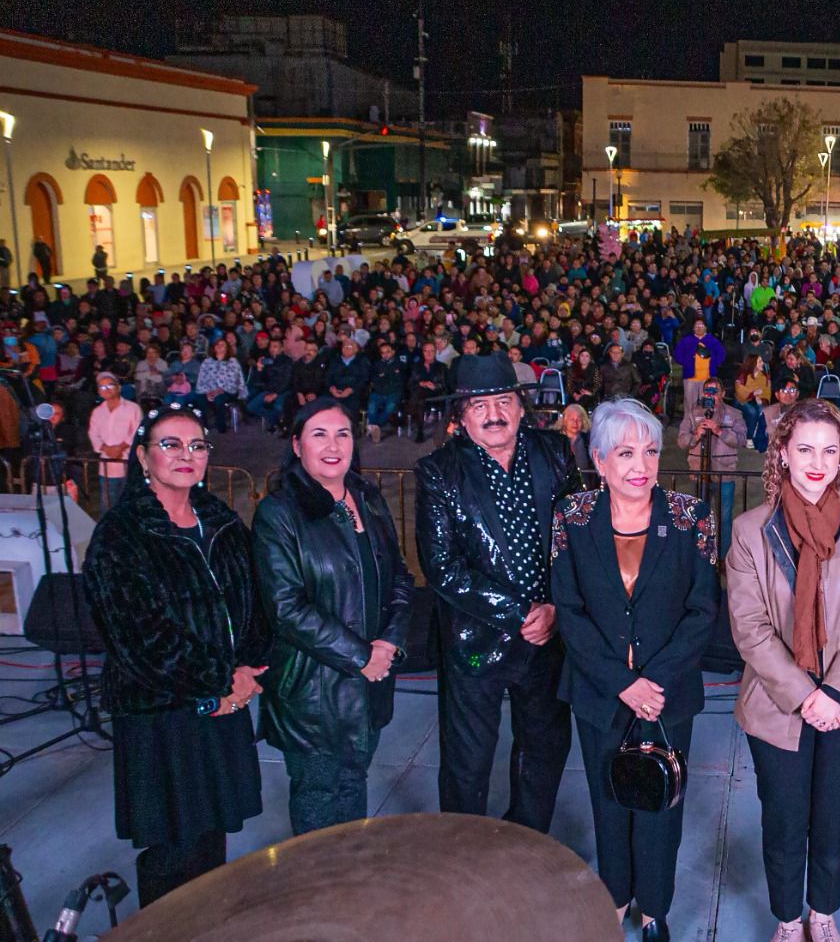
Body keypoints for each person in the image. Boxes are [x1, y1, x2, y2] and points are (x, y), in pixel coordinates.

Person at [82, 403, 270, 907]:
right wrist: (222, 680)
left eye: (197, 445)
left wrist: (249, 670)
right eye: (170, 444)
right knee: (174, 848)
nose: (186, 455)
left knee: (212, 834)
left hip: (221, 702)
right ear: (143, 458)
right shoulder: (121, 536)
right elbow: (140, 640)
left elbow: (254, 601)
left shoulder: (220, 520)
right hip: (162, 716)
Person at [726, 399, 840, 942]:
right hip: (778, 708)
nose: (818, 461)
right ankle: (787, 919)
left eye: (829, 449)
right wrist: (804, 696)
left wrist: (836, 693)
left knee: (833, 822)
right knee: (783, 824)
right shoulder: (751, 531)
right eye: (805, 449)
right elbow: (750, 627)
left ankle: (822, 914)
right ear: (783, 454)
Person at [549, 398, 718, 942]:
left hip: (667, 694)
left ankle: (654, 909)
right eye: (625, 452)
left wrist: (653, 684)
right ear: (599, 460)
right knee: (607, 795)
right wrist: (622, 684)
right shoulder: (572, 517)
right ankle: (614, 893)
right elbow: (569, 611)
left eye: (649, 449)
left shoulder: (691, 517)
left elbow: (702, 610)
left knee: (661, 799)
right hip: (600, 692)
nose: (641, 464)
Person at [415, 351, 577, 831]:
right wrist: (521, 613)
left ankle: (526, 840)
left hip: (549, 636)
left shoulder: (554, 452)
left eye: (503, 400)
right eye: (479, 404)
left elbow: (576, 536)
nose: (494, 414)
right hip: (475, 641)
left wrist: (554, 609)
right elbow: (442, 568)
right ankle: (467, 853)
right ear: (461, 417)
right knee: (468, 759)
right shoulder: (439, 471)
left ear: (521, 407)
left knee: (544, 747)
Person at [254, 398, 414, 834]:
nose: (333, 445)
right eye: (318, 434)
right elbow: (287, 608)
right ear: (297, 444)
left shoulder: (367, 497)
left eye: (342, 434)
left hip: (369, 685)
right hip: (313, 693)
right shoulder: (279, 513)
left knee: (353, 787)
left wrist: (389, 644)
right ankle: (319, 896)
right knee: (319, 799)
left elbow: (399, 576)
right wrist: (362, 655)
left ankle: (350, 891)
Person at [676, 375, 746, 553]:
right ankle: (702, 554)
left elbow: (741, 440)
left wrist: (719, 430)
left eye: (715, 391)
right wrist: (696, 435)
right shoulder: (693, 413)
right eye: (708, 391)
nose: (711, 395)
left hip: (725, 473)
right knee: (700, 515)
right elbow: (682, 441)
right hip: (700, 473)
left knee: (724, 517)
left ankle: (723, 556)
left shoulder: (734, 414)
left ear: (722, 393)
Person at [87, 370, 139, 510]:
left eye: (110, 385)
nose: (107, 389)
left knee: (129, 503)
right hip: (106, 464)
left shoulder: (133, 408)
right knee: (107, 503)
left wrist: (121, 448)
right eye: (102, 387)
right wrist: (106, 449)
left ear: (118, 387)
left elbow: (137, 431)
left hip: (128, 461)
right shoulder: (97, 412)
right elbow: (93, 434)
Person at [194, 337, 247, 432]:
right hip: (208, 390)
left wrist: (219, 390)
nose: (219, 347)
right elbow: (202, 379)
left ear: (227, 348)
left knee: (219, 400)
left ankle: (221, 427)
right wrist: (208, 391)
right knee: (199, 399)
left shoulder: (232, 362)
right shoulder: (207, 362)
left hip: (228, 390)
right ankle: (203, 426)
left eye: (222, 345)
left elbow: (234, 381)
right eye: (217, 345)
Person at [365, 340, 407, 440]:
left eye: (387, 352)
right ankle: (375, 428)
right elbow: (374, 379)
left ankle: (375, 427)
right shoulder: (376, 364)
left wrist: (384, 376)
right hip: (378, 391)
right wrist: (389, 375)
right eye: (382, 353)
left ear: (393, 352)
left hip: (394, 391)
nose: (385, 355)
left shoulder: (400, 364)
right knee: (371, 406)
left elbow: (401, 379)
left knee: (390, 407)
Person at [560, 402, 593, 474]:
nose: (575, 423)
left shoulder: (589, 440)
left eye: (579, 419)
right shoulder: (554, 440)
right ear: (564, 420)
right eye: (572, 419)